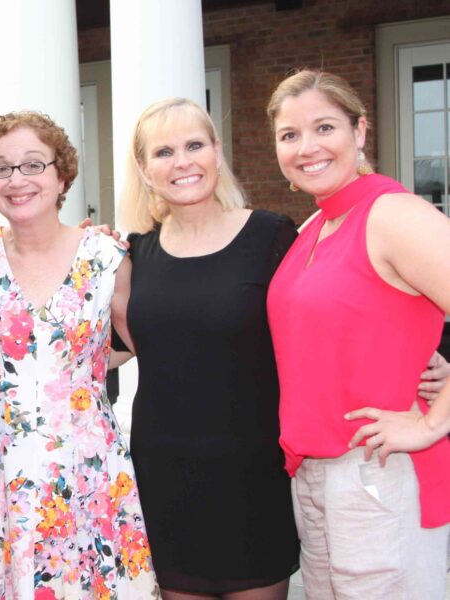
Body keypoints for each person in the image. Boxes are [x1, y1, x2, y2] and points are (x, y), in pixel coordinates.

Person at [0, 110, 159, 599]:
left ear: (61, 174)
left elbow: (147, 344)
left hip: (88, 470)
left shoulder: (106, 257)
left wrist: (84, 369)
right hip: (2, 472)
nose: (17, 179)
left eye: (33, 164)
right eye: (1, 168)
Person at [266, 69, 450, 599]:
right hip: (315, 477)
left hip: (379, 473)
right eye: (290, 135)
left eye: (325, 127)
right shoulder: (313, 228)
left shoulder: (390, 214)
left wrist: (431, 424)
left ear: (360, 131)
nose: (308, 148)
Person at [116, 97, 300, 600]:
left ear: (217, 152)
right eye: (164, 152)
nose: (182, 162)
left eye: (194, 145)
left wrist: (429, 353)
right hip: (165, 479)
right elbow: (97, 347)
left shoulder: (272, 236)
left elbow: (325, 325)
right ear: (144, 168)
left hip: (253, 478)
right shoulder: (133, 254)